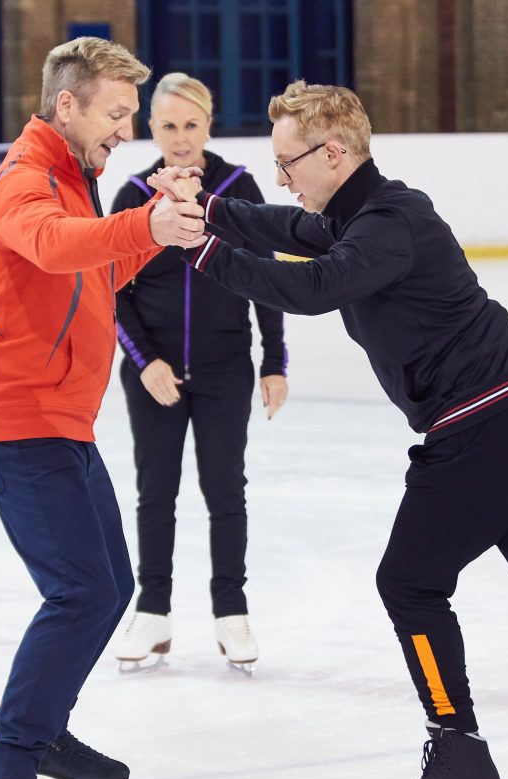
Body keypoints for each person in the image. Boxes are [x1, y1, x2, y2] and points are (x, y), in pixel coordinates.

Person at [149, 80, 508, 779]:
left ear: (332, 153)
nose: (282, 177)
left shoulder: (392, 220)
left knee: (411, 581)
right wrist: (211, 211)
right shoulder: (353, 214)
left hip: (486, 426)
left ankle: (460, 753)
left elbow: (315, 285)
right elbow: (287, 225)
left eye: (288, 162)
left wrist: (200, 248)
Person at [0, 37, 206, 779]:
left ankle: (45, 734)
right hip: (15, 420)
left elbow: (94, 273)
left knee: (108, 585)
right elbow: (57, 246)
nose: (126, 131)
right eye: (115, 113)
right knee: (81, 590)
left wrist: (156, 231)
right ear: (68, 107)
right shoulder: (26, 182)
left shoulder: (74, 179)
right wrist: (140, 220)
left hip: (59, 420)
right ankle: (4, 774)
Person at [109, 73, 288, 673]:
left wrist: (275, 362)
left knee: (224, 489)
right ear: (151, 129)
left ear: (208, 124)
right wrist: (145, 361)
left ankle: (230, 613)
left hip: (225, 367)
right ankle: (152, 613)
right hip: (152, 372)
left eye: (191, 124)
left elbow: (267, 278)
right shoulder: (134, 194)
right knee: (155, 493)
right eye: (167, 126)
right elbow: (112, 293)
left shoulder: (237, 189)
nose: (180, 139)